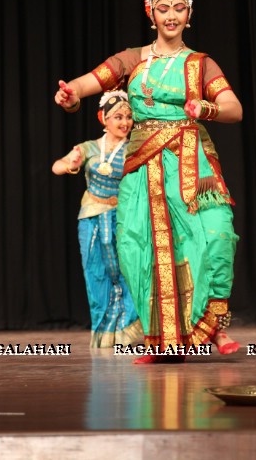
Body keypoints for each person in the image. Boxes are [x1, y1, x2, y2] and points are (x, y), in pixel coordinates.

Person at [54, 0, 243, 363]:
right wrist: (70, 94)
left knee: (216, 235)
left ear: (189, 14)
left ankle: (212, 325)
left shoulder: (200, 64)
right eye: (163, 9)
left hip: (192, 162)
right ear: (151, 14)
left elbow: (234, 109)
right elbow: (88, 83)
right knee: (142, 249)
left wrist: (203, 108)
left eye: (178, 8)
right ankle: (163, 341)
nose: (171, 15)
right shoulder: (132, 58)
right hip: (142, 167)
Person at [52, 90, 143, 348]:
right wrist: (71, 164)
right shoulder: (89, 148)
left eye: (128, 117)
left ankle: (126, 332)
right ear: (103, 118)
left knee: (126, 273)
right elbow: (57, 165)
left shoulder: (134, 150)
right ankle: (104, 336)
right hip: (91, 217)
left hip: (122, 219)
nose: (124, 122)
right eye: (118, 117)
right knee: (96, 274)